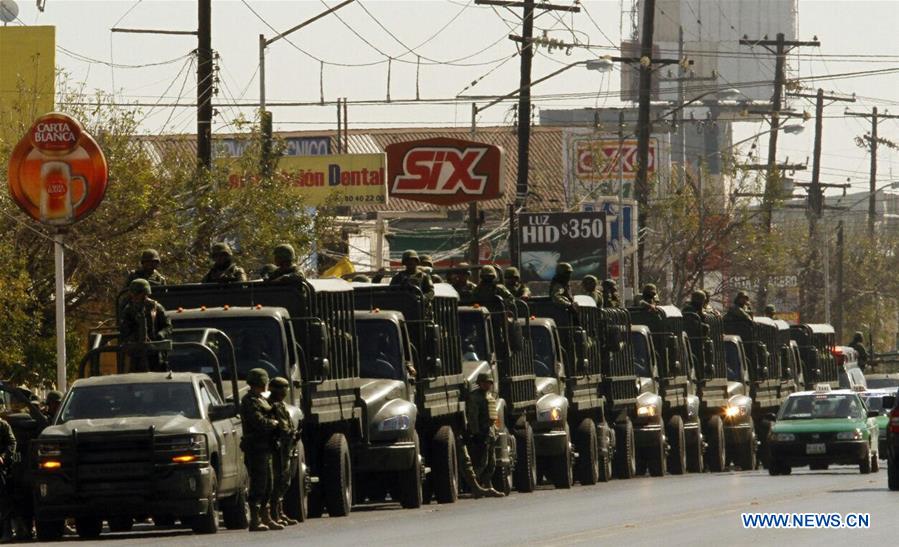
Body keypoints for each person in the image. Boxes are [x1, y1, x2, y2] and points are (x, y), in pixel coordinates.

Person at [240, 368, 284, 532]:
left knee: (268, 484)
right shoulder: (249, 401)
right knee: (259, 484)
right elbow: (258, 422)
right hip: (256, 448)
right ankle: (255, 519)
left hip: (266, 447)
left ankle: (266, 517)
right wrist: (274, 424)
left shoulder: (261, 399)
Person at [118, 279, 174, 372]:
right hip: (136, 352)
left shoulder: (156, 308)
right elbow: (124, 329)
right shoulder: (129, 310)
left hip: (154, 352)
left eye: (138, 293)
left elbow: (168, 326)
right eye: (133, 293)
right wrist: (133, 337)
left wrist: (160, 335)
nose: (135, 296)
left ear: (145, 293)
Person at [463, 373, 504, 498]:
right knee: (482, 463)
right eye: (486, 382)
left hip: (490, 433)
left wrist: (495, 431)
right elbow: (473, 417)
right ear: (480, 383)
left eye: (490, 383)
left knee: (491, 463)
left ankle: (487, 485)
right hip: (481, 433)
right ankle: (474, 486)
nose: (488, 385)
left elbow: (493, 416)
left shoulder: (489, 396)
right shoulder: (475, 397)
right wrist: (476, 433)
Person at [267, 377, 299, 527]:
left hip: (286, 447)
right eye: (282, 388)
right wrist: (288, 433)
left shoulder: (281, 405)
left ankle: (279, 512)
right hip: (277, 448)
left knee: (285, 480)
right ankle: (274, 513)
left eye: (286, 388)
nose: (285, 391)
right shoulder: (270, 405)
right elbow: (279, 427)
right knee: (278, 481)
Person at [0, 417, 16, 543]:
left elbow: (11, 442)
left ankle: (6, 531)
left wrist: (3, 457)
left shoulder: (2, 425)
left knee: (3, 500)